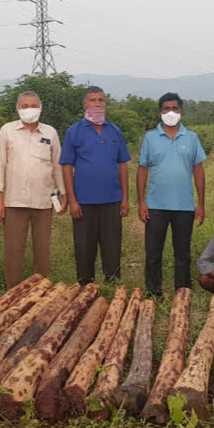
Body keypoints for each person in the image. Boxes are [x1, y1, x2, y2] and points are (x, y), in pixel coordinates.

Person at [0, 91, 67, 290]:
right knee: (14, 249)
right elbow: (0, 165)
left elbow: (57, 165)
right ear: (17, 108)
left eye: (33, 105)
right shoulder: (7, 131)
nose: (29, 109)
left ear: (40, 108)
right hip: (14, 200)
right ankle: (13, 291)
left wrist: (63, 194)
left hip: (44, 200)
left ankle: (40, 290)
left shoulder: (50, 132)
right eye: (24, 106)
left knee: (42, 249)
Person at [138, 92, 206, 297]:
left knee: (183, 254)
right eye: (166, 109)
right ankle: (153, 293)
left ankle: (182, 292)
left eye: (175, 108)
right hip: (156, 205)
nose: (171, 112)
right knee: (153, 253)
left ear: (181, 111)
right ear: (160, 112)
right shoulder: (150, 137)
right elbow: (142, 169)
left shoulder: (191, 137)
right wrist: (141, 202)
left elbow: (198, 170)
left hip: (184, 206)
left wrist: (201, 204)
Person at [60, 86, 131, 285]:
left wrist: (125, 198)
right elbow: (66, 166)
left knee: (112, 248)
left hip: (112, 200)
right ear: (84, 104)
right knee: (84, 249)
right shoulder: (74, 131)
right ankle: (85, 289)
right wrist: (72, 200)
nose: (97, 104)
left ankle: (113, 289)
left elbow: (122, 165)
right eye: (92, 100)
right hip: (83, 202)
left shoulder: (114, 130)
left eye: (100, 100)